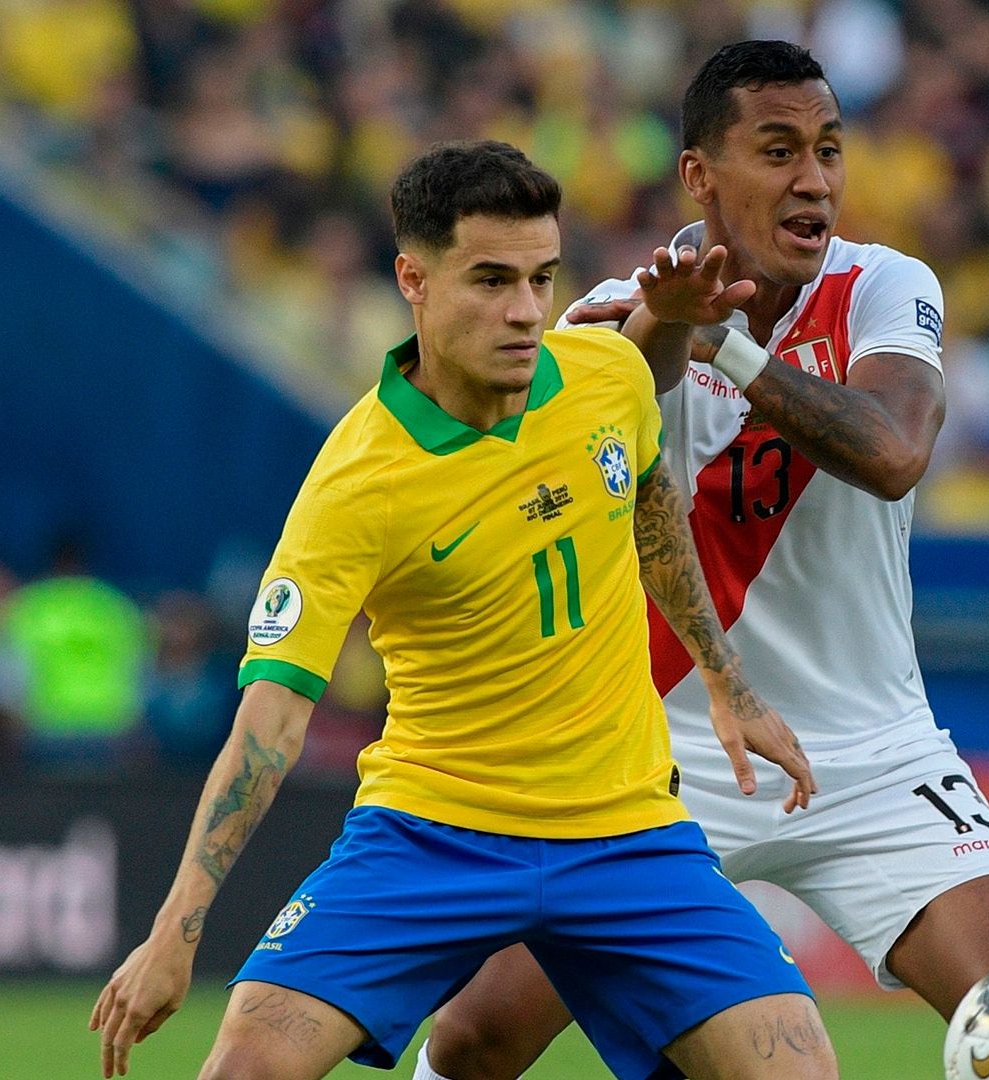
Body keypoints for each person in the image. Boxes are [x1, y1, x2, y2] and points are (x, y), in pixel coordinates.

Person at [90, 140, 836, 1080]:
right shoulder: (358, 482)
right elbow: (270, 720)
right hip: (430, 834)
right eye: (490, 280)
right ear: (414, 278)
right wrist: (174, 932)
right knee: (244, 1069)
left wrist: (729, 684)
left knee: (800, 1073)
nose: (526, 311)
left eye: (539, 279)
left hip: (627, 833)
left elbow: (650, 508)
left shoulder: (606, 378)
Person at [420, 41, 989, 1080]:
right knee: (473, 1038)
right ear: (699, 176)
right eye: (777, 151)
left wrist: (734, 347)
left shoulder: (882, 287)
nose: (814, 178)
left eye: (828, 149)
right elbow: (615, 407)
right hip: (656, 760)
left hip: (875, 752)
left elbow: (895, 454)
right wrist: (681, 330)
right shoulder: (601, 319)